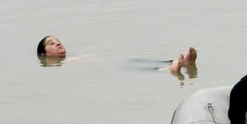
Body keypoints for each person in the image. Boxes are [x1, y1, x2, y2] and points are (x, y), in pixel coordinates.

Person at [36, 35, 197, 72]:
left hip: (116, 63)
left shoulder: (72, 58)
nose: (57, 43)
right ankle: (170, 70)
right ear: (43, 55)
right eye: (51, 43)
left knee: (138, 61)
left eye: (58, 41)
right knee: (135, 69)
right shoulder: (60, 67)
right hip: (113, 70)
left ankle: (180, 63)